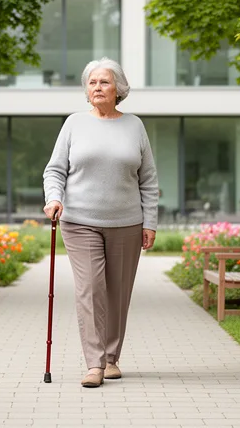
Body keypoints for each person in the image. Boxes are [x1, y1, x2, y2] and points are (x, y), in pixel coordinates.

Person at [43, 57, 159, 388]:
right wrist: (54, 197)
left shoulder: (134, 125)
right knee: (91, 289)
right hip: (79, 221)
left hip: (127, 223)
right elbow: (55, 170)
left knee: (118, 293)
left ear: (118, 89)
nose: (97, 87)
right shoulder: (74, 123)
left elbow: (148, 179)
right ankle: (94, 363)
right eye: (92, 82)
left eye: (104, 82)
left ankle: (111, 358)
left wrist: (149, 221)